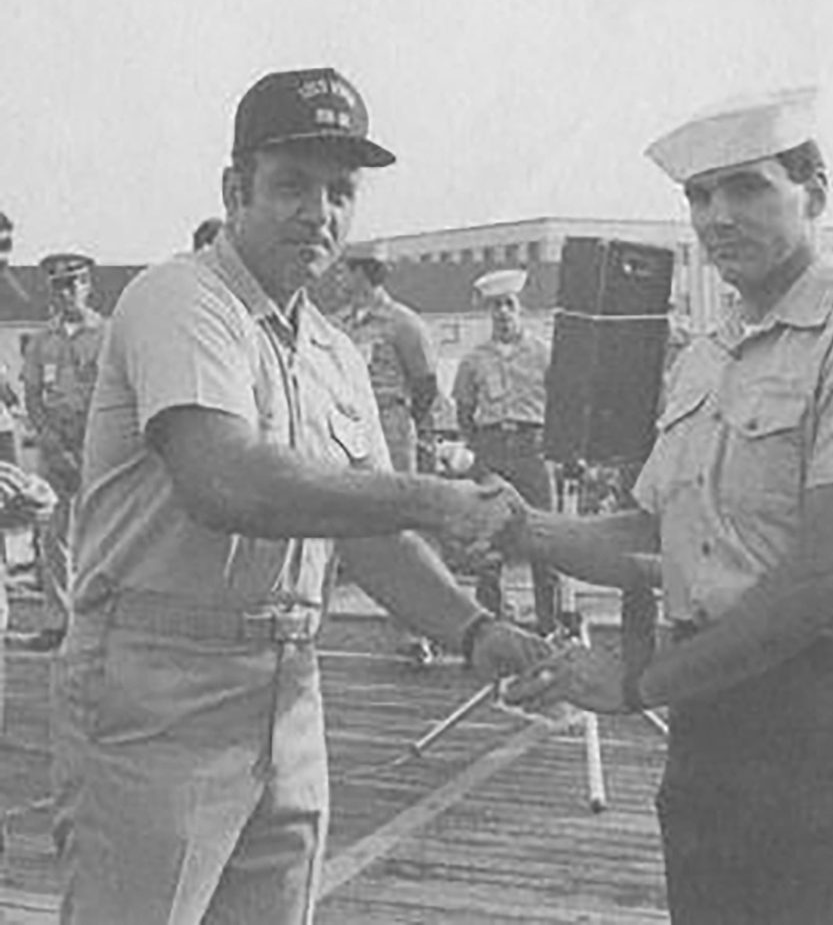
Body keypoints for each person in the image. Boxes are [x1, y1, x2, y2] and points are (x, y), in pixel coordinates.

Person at [53, 66, 549, 925]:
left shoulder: (333, 351)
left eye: (339, 191)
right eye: (291, 185)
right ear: (233, 190)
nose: (317, 211)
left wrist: (475, 630)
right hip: (156, 683)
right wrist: (435, 497)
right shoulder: (180, 299)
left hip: (289, 687)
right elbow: (226, 479)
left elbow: (362, 531)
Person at [504, 88, 833, 924]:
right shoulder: (710, 357)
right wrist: (517, 527)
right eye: (698, 197)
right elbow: (655, 531)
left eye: (745, 188)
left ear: (814, 193)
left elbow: (822, 580)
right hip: (711, 721)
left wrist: (641, 684)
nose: (716, 217)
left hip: (820, 715)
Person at [320, 251, 441, 661]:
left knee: (399, 524)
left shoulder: (403, 323)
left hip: (388, 423)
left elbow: (425, 385)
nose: (337, 277)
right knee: (329, 517)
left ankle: (415, 630)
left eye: (344, 270)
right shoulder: (334, 324)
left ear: (364, 274)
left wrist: (404, 425)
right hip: (339, 423)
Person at [452, 269, 559, 635]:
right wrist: (480, 449)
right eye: (495, 307)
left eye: (509, 305)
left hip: (533, 450)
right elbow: (464, 409)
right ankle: (490, 627)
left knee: (545, 539)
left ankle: (550, 625)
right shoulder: (474, 360)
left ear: (521, 309)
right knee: (489, 541)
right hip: (493, 449)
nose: (502, 313)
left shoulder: (544, 353)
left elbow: (561, 402)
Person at [20, 252, 105, 651]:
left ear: (88, 286)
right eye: (59, 286)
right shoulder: (41, 341)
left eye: (75, 284)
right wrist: (53, 446)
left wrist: (86, 447)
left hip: (95, 444)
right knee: (52, 536)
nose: (67, 293)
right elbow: (33, 396)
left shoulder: (106, 335)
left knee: (100, 535)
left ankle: (97, 622)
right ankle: (59, 621)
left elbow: (112, 395)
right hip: (54, 446)